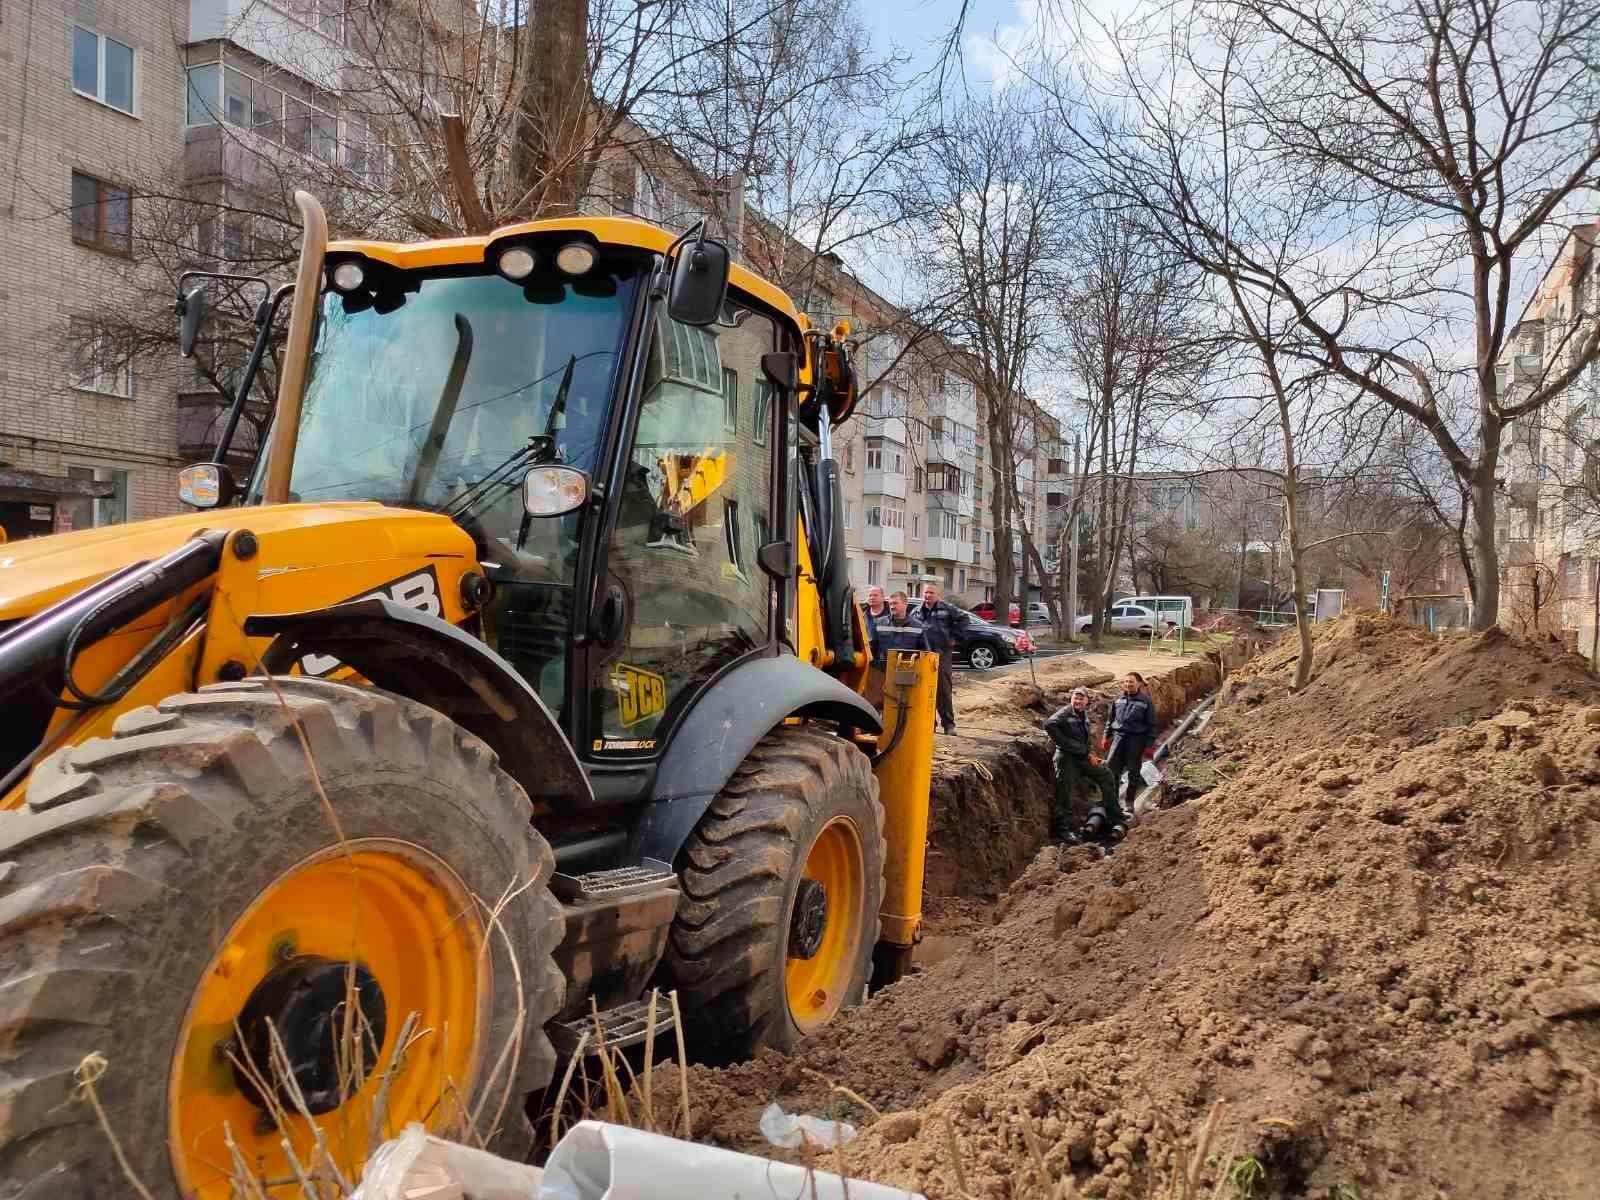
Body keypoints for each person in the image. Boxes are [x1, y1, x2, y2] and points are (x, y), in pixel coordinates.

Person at [1044, 687, 1121, 841]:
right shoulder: (1066, 713)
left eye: (1081, 699)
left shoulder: (1083, 715)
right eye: (1075, 698)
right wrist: (1064, 743)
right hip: (1067, 759)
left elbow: (1085, 740)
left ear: (1087, 701)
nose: (1077, 701)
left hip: (1082, 757)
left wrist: (1090, 754)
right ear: (1071, 699)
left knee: (1105, 774)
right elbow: (1049, 724)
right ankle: (1063, 829)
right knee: (1065, 793)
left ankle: (1113, 814)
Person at [1101, 671, 1157, 812]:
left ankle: (1129, 802)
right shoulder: (1117, 699)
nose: (1128, 684)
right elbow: (1110, 720)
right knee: (1112, 771)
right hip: (1118, 738)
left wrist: (1149, 745)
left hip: (1136, 740)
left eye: (1131, 681)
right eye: (1126, 681)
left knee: (1133, 772)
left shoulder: (1145, 701)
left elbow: (1151, 725)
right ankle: (1112, 800)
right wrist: (1105, 737)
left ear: (1138, 683)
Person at [919, 582, 968, 735]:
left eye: (931, 593)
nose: (928, 596)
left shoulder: (946, 609)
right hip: (923, 655)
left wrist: (954, 638)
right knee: (924, 691)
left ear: (937, 595)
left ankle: (948, 725)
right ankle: (929, 724)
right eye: (926, 593)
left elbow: (964, 619)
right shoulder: (916, 612)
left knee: (943, 690)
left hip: (942, 654)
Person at [869, 590, 929, 664]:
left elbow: (925, 653)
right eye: (890, 604)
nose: (892, 607)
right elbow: (871, 649)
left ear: (905, 604)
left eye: (895, 603)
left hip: (907, 670)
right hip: (882, 671)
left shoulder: (918, 627)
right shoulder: (879, 623)